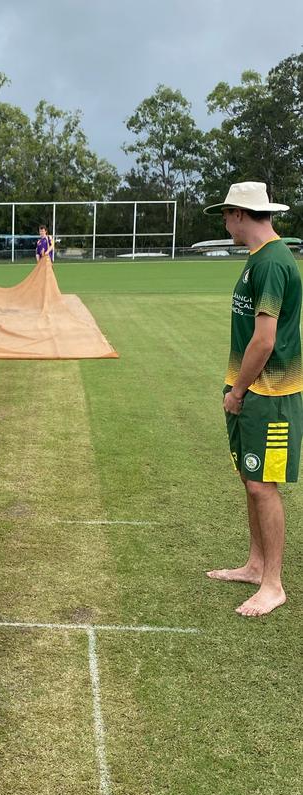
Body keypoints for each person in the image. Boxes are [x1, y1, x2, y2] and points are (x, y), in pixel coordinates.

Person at [203, 181, 302, 616]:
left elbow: (264, 340)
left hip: (270, 393)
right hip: (249, 389)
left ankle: (273, 584)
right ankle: (256, 565)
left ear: (240, 214)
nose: (225, 223)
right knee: (251, 478)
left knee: (264, 485)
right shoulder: (257, 259)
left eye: (226, 215)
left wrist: (239, 391)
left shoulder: (274, 263)